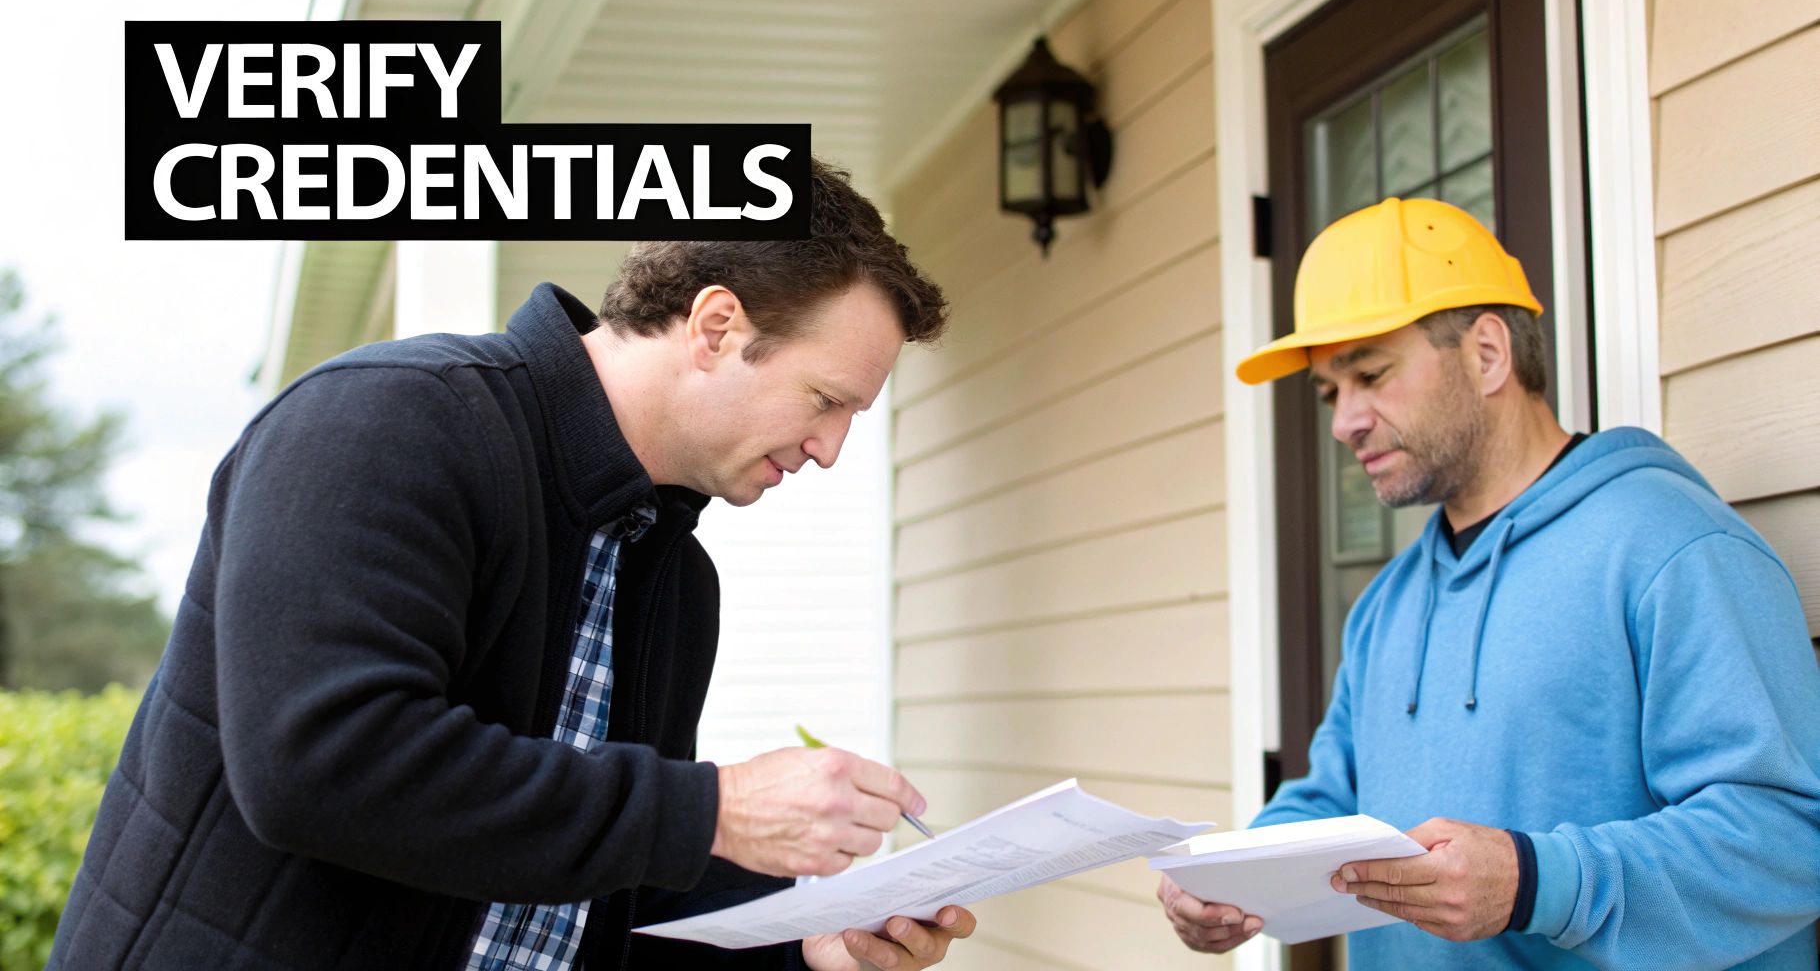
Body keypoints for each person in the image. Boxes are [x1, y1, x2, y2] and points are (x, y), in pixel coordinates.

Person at [50, 159, 977, 971]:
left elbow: (588, 902)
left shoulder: (676, 581)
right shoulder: (390, 420)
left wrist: (803, 950)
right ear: (716, 325)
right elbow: (321, 764)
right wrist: (712, 809)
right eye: (827, 399)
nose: (831, 450)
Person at [1156, 197, 1820, 968]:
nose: (1345, 422)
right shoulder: (1386, 605)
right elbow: (1334, 799)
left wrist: (1538, 882)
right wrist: (1238, 877)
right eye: (1331, 393)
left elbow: (1789, 833)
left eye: (1369, 373)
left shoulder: (1671, 547)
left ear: (1488, 354)